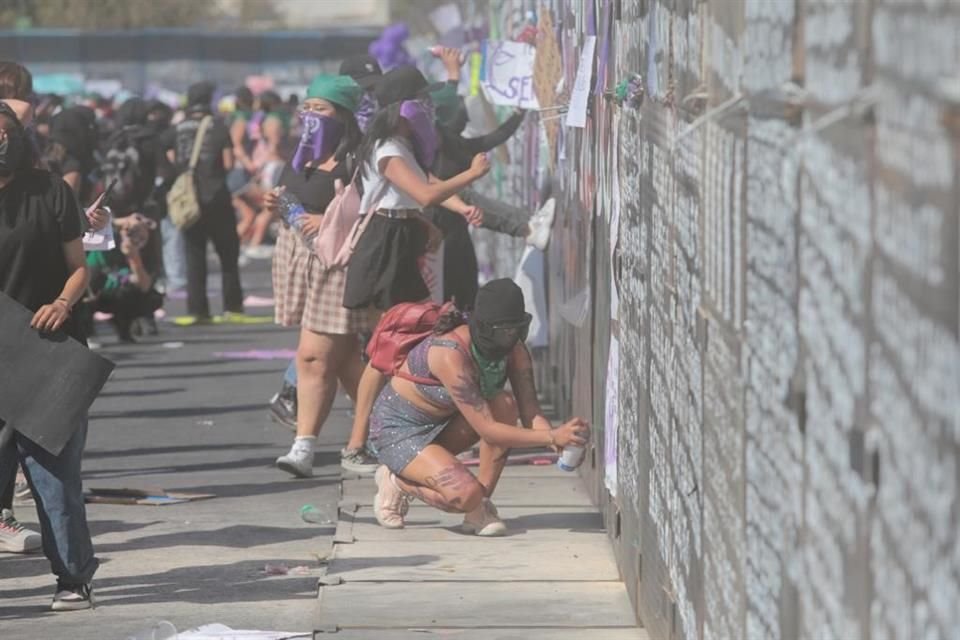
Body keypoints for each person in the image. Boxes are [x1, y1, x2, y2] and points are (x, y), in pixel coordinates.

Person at [369, 279, 588, 534]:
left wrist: (560, 443)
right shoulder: (450, 353)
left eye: (515, 329)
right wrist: (550, 435)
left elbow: (531, 413)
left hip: (442, 425)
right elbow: (487, 430)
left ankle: (479, 506)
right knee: (463, 494)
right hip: (399, 432)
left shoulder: (515, 350)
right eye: (501, 331)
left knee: (504, 404)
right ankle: (397, 481)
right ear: (481, 327)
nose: (508, 338)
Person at [0, 101, 100, 609]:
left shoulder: (50, 192)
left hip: (46, 354)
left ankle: (72, 577)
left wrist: (63, 302)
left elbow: (79, 267)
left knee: (55, 477)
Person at [266, 75, 377, 477]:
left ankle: (304, 447)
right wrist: (276, 205)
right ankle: (381, 435)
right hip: (299, 257)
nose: (311, 115)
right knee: (345, 360)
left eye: (322, 109)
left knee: (312, 356)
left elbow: (373, 209)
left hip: (337, 264)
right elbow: (290, 197)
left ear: (343, 116)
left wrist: (326, 218)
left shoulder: (357, 161)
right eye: (307, 107)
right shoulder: (299, 157)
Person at [163, 81, 244, 325]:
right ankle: (232, 306)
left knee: (194, 254)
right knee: (228, 253)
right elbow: (229, 162)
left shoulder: (176, 129)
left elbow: (169, 159)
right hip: (217, 196)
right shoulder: (218, 127)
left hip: (189, 199)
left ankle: (198, 310)